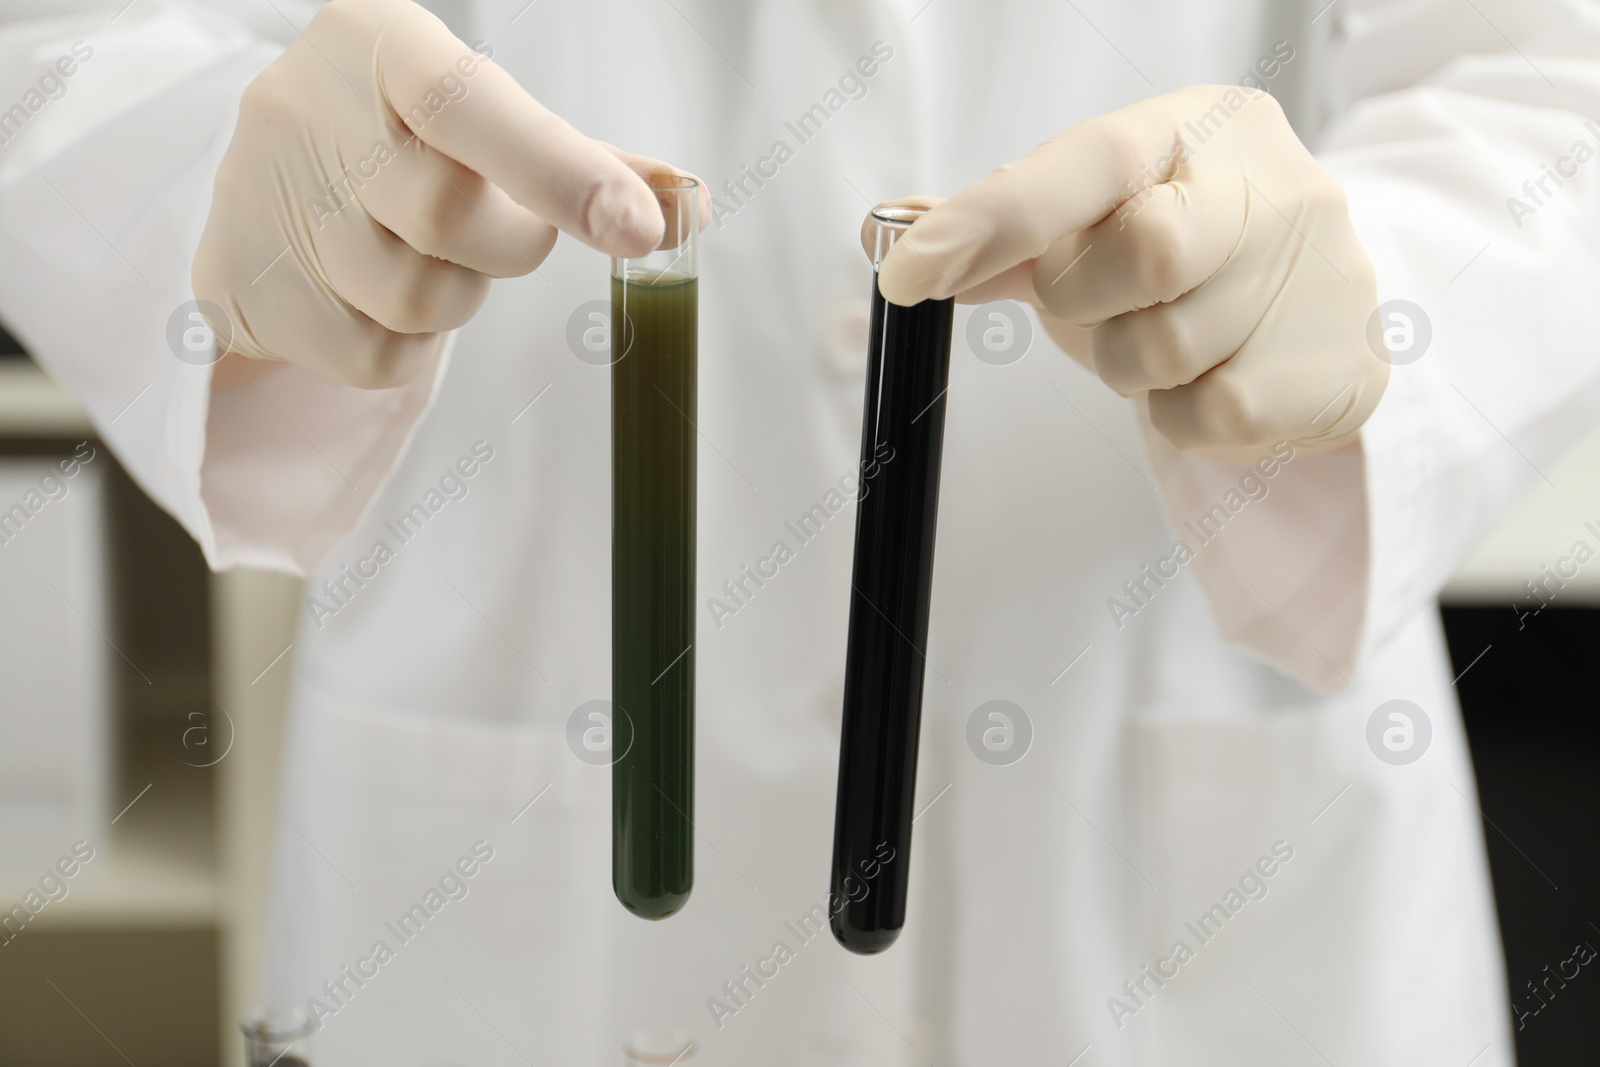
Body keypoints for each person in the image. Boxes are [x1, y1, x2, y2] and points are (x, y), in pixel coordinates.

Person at [1, 0, 1595, 1062]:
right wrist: (224, 181)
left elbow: (1552, 71)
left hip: (1177, 821)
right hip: (506, 817)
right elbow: (63, 41)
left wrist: (1372, 282)